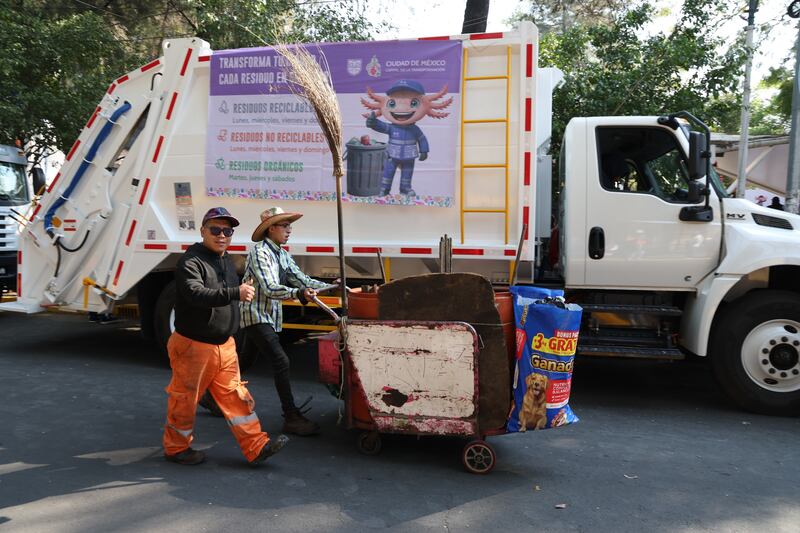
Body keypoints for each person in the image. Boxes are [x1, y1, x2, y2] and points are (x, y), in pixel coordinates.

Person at [163, 207, 288, 466]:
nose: (222, 235)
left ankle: (256, 447)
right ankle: (176, 448)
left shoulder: (226, 260)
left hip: (224, 346)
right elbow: (194, 294)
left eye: (227, 231)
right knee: (184, 400)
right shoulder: (190, 262)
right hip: (193, 346)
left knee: (237, 397)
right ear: (203, 231)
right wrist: (235, 293)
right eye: (215, 230)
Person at [241, 206, 330, 436]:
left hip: (269, 315)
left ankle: (210, 395)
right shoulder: (259, 252)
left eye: (290, 226)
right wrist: (298, 294)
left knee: (244, 362)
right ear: (271, 228)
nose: (290, 230)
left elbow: (302, 280)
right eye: (285, 226)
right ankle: (291, 416)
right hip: (255, 313)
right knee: (281, 361)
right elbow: (270, 288)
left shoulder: (282, 254)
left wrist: (333, 286)